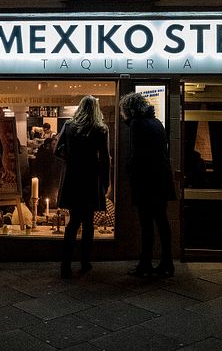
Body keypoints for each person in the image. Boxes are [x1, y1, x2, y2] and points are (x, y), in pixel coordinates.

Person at [119, 92, 177, 277]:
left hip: (146, 180)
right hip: (162, 178)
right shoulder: (157, 122)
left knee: (146, 224)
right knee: (161, 220)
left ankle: (145, 264)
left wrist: (129, 171)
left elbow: (136, 154)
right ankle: (167, 262)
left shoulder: (137, 123)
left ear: (129, 109)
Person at [55, 95, 110, 278]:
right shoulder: (100, 129)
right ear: (95, 109)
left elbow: (57, 150)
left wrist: (69, 159)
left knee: (72, 223)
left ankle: (65, 264)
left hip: (72, 179)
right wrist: (105, 182)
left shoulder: (69, 126)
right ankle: (85, 262)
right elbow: (104, 159)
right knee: (87, 223)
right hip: (90, 180)